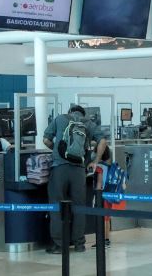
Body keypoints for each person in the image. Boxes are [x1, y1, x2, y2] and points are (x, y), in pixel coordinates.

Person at [43, 104, 106, 254]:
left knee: (57, 206)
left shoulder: (60, 119)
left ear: (69, 112)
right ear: (83, 113)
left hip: (59, 168)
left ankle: (59, 245)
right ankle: (79, 244)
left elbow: (46, 140)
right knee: (78, 207)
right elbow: (103, 142)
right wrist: (95, 161)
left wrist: (60, 151)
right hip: (79, 171)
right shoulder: (89, 123)